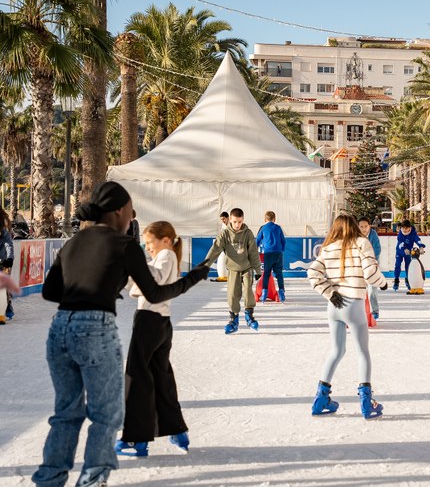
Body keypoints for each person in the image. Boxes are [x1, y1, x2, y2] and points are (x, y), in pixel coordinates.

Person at [32, 181, 209, 487]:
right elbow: (154, 292)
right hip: (95, 328)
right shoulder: (124, 244)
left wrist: (90, 289)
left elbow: (50, 291)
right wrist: (193, 277)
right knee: (105, 415)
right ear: (118, 210)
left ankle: (49, 481)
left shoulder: (74, 242)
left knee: (66, 412)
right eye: (130, 210)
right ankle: (92, 482)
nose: (132, 217)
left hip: (60, 328)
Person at [115, 221, 190, 458]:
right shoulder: (166, 256)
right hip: (160, 322)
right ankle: (175, 429)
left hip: (149, 320)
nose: (148, 248)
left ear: (165, 240)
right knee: (160, 376)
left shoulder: (166, 254)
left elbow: (154, 279)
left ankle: (136, 439)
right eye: (145, 244)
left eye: (150, 243)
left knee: (137, 377)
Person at [307, 215, 388, 419]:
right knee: (362, 352)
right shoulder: (362, 243)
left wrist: (329, 292)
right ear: (353, 226)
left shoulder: (328, 247)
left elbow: (312, 273)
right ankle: (366, 402)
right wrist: (383, 283)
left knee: (336, 350)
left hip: (334, 306)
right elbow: (370, 274)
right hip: (354, 304)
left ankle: (320, 399)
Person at [203, 208, 262, 334]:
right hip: (233, 269)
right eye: (235, 221)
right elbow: (215, 249)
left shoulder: (248, 233)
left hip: (247, 268)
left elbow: (253, 253)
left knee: (247, 291)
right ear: (230, 220)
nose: (237, 225)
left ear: (243, 220)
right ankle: (234, 319)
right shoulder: (225, 234)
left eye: (240, 222)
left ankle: (249, 316)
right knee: (232, 294)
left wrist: (258, 270)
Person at [256, 211, 286, 302]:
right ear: (274, 219)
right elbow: (283, 241)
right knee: (279, 274)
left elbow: (257, 240)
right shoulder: (278, 228)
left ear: (265, 219)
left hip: (268, 253)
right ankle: (281, 293)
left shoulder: (263, 228)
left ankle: (264, 293)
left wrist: (255, 251)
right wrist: (281, 250)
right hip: (278, 253)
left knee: (267, 273)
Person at [358, 217, 381, 319]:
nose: (364, 229)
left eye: (366, 226)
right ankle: (358, 311)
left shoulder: (373, 235)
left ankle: (375, 310)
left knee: (372, 289)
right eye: (361, 227)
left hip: (371, 264)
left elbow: (377, 249)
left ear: (369, 226)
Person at [393, 219, 424, 292]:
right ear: (401, 229)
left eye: (407, 231)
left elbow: (417, 240)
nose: (405, 232)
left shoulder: (413, 233)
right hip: (400, 251)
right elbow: (400, 244)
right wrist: (404, 249)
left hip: (409, 253)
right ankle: (396, 280)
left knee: (408, 266)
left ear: (410, 228)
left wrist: (421, 246)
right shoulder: (400, 234)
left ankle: (408, 280)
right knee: (397, 265)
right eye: (404, 231)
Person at [0, 207, 14, 323]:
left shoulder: (3, 223)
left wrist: (9, 258)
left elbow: (8, 243)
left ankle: (7, 307)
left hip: (3, 260)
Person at [214, 211, 229, 282]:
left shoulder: (232, 225)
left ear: (227, 218)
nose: (223, 221)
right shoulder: (223, 226)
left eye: (224, 219)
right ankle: (223, 275)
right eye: (221, 219)